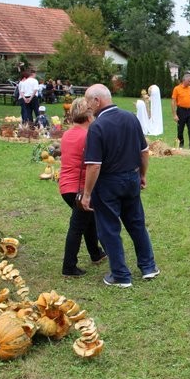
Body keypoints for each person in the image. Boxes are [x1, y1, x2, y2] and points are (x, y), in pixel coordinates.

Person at [80, 84, 159, 288]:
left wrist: (87, 193)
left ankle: (121, 276)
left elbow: (94, 165)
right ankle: (148, 267)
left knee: (108, 228)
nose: (87, 106)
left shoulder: (97, 127)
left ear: (97, 101)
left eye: (88, 101)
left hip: (108, 182)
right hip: (131, 178)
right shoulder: (131, 118)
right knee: (136, 223)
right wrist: (142, 174)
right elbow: (144, 151)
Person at [58, 97, 106, 277]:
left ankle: (96, 253)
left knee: (88, 219)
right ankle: (69, 267)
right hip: (79, 188)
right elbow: (95, 163)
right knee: (77, 226)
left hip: (66, 187)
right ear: (89, 116)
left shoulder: (68, 134)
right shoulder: (88, 135)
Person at [171, 74, 190, 150]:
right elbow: (173, 102)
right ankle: (180, 144)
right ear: (184, 80)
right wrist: (174, 115)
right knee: (180, 129)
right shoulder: (177, 89)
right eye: (189, 81)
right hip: (181, 111)